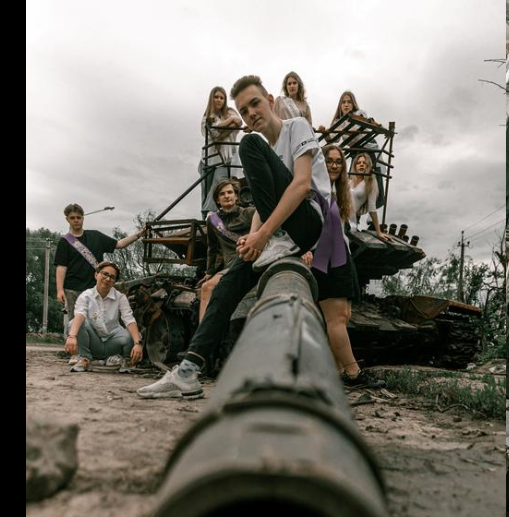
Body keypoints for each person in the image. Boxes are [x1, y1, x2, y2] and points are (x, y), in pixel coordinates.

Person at [139, 75, 331, 399]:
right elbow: (263, 205)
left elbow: (300, 186)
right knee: (226, 286)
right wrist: (253, 237)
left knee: (248, 143)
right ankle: (188, 371)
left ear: (270, 101)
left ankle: (279, 243)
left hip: (310, 222)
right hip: (279, 233)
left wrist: (265, 234)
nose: (250, 113)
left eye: (255, 103)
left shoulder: (296, 127)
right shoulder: (266, 150)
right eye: (243, 110)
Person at [304, 143, 378, 387]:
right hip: (324, 256)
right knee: (335, 318)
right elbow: (304, 222)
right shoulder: (313, 189)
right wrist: (305, 248)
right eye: (329, 160)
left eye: (338, 161)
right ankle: (354, 373)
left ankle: (332, 372)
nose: (334, 165)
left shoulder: (339, 191)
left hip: (341, 253)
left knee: (343, 316)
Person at [54, 203, 146, 361]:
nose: (76, 220)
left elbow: (119, 244)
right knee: (74, 321)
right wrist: (60, 289)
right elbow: (61, 267)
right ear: (67, 219)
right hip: (73, 287)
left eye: (79, 217)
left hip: (95, 286)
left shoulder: (96, 236)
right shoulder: (65, 241)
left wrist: (139, 234)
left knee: (102, 321)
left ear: (83, 218)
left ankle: (99, 350)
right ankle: (75, 354)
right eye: (72, 218)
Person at [197, 178, 258, 323]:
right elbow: (212, 248)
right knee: (206, 288)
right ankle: (201, 339)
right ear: (218, 200)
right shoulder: (213, 220)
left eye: (230, 192)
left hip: (251, 260)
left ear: (236, 196)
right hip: (230, 266)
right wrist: (210, 272)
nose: (227, 196)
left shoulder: (250, 213)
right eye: (222, 194)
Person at [64, 262, 144, 372]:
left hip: (113, 342)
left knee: (134, 333)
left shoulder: (120, 297)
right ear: (96, 274)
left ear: (115, 281)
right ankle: (85, 359)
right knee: (73, 324)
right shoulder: (86, 296)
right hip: (93, 342)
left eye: (112, 277)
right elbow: (80, 314)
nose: (107, 279)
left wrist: (137, 343)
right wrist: (72, 336)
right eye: (105, 274)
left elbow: (128, 319)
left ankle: (127, 361)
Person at [199, 86, 243, 214]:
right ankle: (205, 218)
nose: (219, 100)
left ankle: (211, 213)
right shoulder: (207, 117)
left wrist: (227, 125)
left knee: (219, 184)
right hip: (208, 159)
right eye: (216, 97)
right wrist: (230, 122)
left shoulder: (228, 112)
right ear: (211, 99)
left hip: (224, 158)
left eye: (222, 98)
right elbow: (214, 131)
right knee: (206, 190)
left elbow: (239, 122)